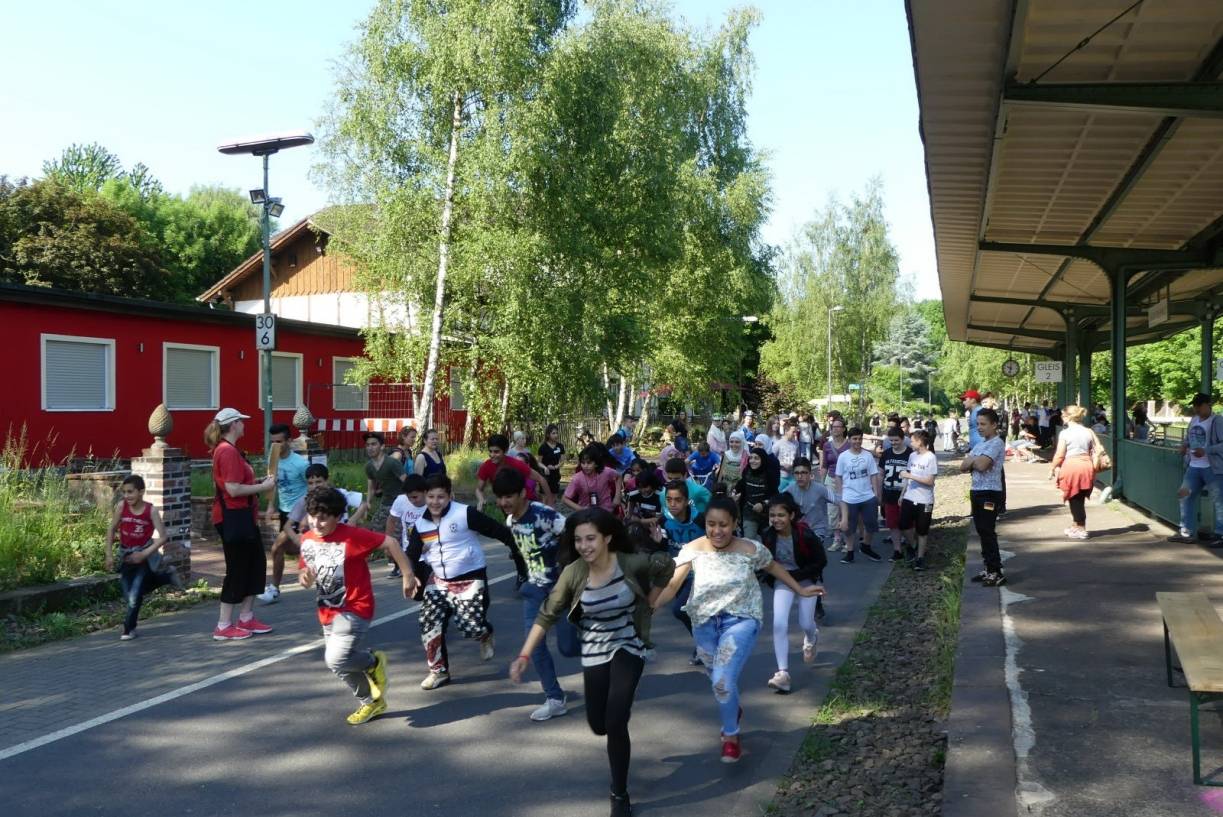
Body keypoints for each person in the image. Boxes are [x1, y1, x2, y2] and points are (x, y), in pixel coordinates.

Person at [510, 508, 675, 817]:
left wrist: (650, 603)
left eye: (591, 539)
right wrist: (523, 655)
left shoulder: (630, 563)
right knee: (598, 725)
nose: (584, 546)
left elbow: (666, 566)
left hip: (629, 644)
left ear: (607, 538)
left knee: (615, 720)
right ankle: (613, 727)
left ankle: (619, 793)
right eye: (578, 540)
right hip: (595, 647)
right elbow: (547, 614)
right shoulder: (574, 573)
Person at [654, 496, 823, 763]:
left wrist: (800, 589)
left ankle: (730, 735)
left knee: (722, 682)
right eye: (711, 524)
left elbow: (775, 567)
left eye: (723, 525)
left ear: (734, 523)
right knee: (720, 683)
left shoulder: (751, 549)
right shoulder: (693, 549)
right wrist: (648, 607)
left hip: (741, 621)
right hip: (704, 624)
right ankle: (733, 710)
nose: (717, 531)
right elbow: (673, 586)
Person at [296, 487, 413, 724]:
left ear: (337, 517)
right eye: (312, 516)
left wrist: (408, 574)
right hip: (328, 611)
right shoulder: (307, 540)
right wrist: (304, 578)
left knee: (336, 659)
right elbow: (304, 574)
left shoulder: (351, 535)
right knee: (340, 666)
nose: (316, 522)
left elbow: (390, 542)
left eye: (323, 517)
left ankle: (373, 662)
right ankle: (371, 702)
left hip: (355, 608)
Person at [407, 473, 527, 690]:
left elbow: (498, 530)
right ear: (425, 496)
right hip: (439, 580)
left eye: (441, 497)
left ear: (450, 496)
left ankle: (485, 633)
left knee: (471, 627)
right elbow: (411, 553)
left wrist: (522, 551)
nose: (435, 502)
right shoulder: (420, 524)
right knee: (429, 624)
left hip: (470, 578)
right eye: (431, 497)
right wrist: (410, 574)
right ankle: (439, 671)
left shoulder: (464, 513)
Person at [493, 468, 578, 721]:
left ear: (522, 493)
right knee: (536, 646)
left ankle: (613, 651)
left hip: (561, 590)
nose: (504, 502)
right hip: (534, 592)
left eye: (509, 496)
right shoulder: (511, 521)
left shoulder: (544, 515)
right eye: (500, 497)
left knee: (568, 647)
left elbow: (576, 538)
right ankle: (554, 697)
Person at [206, 408, 277, 640]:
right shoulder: (227, 452)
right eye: (242, 421)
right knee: (237, 568)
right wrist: (263, 487)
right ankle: (223, 624)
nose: (245, 425)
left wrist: (258, 482)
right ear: (234, 424)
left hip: (243, 516)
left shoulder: (231, 451)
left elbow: (238, 483)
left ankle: (246, 618)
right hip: (233, 518)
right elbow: (233, 489)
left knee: (255, 565)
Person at [260, 463, 368, 602]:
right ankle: (274, 588)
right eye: (310, 483)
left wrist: (352, 520)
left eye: (319, 482)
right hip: (320, 543)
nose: (315, 486)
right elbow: (288, 526)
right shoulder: (305, 500)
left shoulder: (340, 494)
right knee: (278, 544)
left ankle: (351, 596)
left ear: (327, 481)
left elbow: (364, 504)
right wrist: (299, 540)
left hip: (342, 542)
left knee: (344, 577)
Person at [760, 493, 827, 693]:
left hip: (806, 579)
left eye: (781, 515)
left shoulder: (805, 535)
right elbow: (765, 561)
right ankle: (783, 673)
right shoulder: (768, 535)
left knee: (806, 622)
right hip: (783, 581)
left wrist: (797, 576)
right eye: (772, 515)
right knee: (779, 624)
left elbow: (821, 561)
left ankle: (811, 637)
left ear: (791, 515)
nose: (776, 520)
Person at [105, 474, 180, 640]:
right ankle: (165, 578)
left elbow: (163, 537)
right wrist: (109, 555)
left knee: (133, 598)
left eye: (130, 492)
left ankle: (128, 629)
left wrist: (144, 554)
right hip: (126, 557)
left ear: (141, 492)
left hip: (144, 559)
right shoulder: (121, 507)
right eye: (124, 492)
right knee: (129, 595)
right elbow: (111, 529)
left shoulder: (151, 510)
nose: (127, 496)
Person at [256, 424, 309, 603]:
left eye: (279, 441)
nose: (275, 445)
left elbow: (314, 487)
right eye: (272, 442)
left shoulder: (300, 464)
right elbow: (274, 483)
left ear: (289, 441)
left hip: (299, 512)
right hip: (284, 511)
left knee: (276, 548)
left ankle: (274, 589)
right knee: (292, 548)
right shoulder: (273, 459)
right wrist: (271, 505)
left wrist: (306, 513)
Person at [1169, 393, 1223, 545]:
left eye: (1199, 405)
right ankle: (1186, 532)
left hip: (1213, 467)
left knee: (1219, 501)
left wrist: (1207, 450)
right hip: (1194, 466)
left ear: (1208, 405)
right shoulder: (1194, 419)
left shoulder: (1217, 421)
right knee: (1184, 495)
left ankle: (1221, 534)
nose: (1196, 408)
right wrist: (1184, 445)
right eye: (1195, 405)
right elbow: (1189, 437)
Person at [962, 408, 1007, 586]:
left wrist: (974, 460)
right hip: (976, 491)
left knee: (988, 530)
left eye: (983, 424)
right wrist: (975, 460)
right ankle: (988, 568)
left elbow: (980, 465)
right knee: (981, 530)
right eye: (977, 424)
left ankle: (996, 571)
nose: (979, 428)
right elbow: (963, 466)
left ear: (994, 425)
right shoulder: (980, 444)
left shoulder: (996, 443)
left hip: (990, 492)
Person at [662, 479, 705, 660]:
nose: (673, 504)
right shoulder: (663, 521)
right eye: (669, 499)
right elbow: (662, 550)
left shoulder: (700, 519)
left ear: (687, 501)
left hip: (700, 573)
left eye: (677, 500)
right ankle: (704, 644)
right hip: (678, 573)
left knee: (679, 609)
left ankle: (705, 646)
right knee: (688, 613)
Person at [1048, 405, 1099, 540]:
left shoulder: (1065, 433)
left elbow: (1060, 454)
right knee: (1079, 497)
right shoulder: (1088, 431)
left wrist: (1053, 467)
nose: (1061, 418)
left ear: (1067, 417)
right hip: (1087, 466)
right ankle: (1076, 525)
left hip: (1072, 466)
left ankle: (1081, 528)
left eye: (1063, 416)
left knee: (1074, 498)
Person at [835, 427, 882, 564]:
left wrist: (876, 494)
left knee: (871, 524)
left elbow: (873, 475)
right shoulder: (843, 457)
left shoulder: (867, 455)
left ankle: (866, 546)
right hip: (849, 497)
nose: (857, 441)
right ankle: (850, 552)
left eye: (860, 438)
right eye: (854, 439)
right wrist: (840, 495)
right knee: (849, 527)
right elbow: (838, 477)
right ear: (849, 440)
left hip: (867, 496)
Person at [476, 433, 553, 511]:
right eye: (490, 451)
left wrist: (550, 504)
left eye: (496, 452)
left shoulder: (516, 464)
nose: (492, 455)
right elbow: (479, 489)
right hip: (505, 504)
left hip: (524, 503)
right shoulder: (486, 467)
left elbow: (541, 479)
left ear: (505, 451)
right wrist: (481, 500)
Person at [898, 429, 938, 571]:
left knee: (922, 530)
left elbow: (930, 481)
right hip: (910, 496)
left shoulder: (930, 457)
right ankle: (913, 546)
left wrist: (911, 477)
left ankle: (920, 558)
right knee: (903, 525)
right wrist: (902, 494)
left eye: (913, 440)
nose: (911, 443)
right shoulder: (912, 456)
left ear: (920, 442)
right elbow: (908, 474)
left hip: (924, 500)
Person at [878, 426, 913, 562]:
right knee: (892, 524)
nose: (893, 443)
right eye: (891, 441)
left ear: (903, 439)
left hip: (905, 495)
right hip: (889, 494)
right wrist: (879, 493)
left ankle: (912, 546)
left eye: (896, 440)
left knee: (907, 524)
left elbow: (913, 474)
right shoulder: (886, 453)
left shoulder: (910, 454)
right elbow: (881, 473)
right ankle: (897, 550)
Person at [386, 473, 428, 577]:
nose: (412, 501)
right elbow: (391, 520)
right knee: (413, 586)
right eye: (409, 498)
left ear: (425, 492)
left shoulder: (433, 503)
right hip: (410, 553)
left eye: (415, 497)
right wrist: (388, 544)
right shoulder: (401, 500)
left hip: (430, 554)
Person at [364, 432, 406, 534]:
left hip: (400, 504)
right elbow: (371, 488)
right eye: (368, 445)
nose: (370, 448)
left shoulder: (392, 463)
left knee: (396, 535)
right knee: (374, 531)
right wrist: (368, 503)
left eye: (374, 444)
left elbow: (407, 482)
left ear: (382, 446)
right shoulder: (369, 466)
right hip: (385, 503)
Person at [820, 417, 851, 551]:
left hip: (847, 481)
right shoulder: (827, 445)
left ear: (844, 429)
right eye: (833, 427)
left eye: (839, 427)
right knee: (832, 512)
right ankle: (837, 539)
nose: (836, 429)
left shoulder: (849, 445)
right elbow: (824, 465)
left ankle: (847, 540)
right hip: (831, 479)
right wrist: (822, 483)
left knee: (846, 511)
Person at [564, 445, 622, 512]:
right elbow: (565, 498)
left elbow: (619, 477)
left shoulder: (605, 472)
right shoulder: (577, 478)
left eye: (589, 463)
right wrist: (580, 509)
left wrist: (617, 496)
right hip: (586, 514)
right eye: (583, 463)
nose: (585, 466)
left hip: (606, 511)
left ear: (596, 463)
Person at [734, 449, 776, 541]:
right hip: (749, 512)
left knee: (769, 540)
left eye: (756, 458)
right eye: (751, 458)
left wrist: (763, 504)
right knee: (749, 540)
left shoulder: (769, 474)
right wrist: (734, 492)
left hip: (767, 515)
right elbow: (741, 485)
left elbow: (774, 495)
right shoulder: (747, 471)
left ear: (763, 459)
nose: (752, 461)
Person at [537, 423, 565, 498]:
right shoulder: (543, 447)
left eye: (556, 433)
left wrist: (556, 467)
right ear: (548, 435)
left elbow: (562, 461)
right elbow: (538, 462)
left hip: (555, 475)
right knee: (545, 498)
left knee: (554, 498)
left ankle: (552, 510)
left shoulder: (560, 446)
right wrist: (545, 467)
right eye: (553, 433)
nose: (556, 435)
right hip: (545, 475)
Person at [773, 420, 801, 489]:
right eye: (793, 432)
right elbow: (770, 461)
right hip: (780, 477)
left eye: (796, 432)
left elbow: (798, 459)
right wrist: (782, 465)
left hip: (793, 476)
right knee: (780, 498)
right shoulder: (778, 444)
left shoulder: (796, 443)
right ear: (786, 431)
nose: (795, 434)